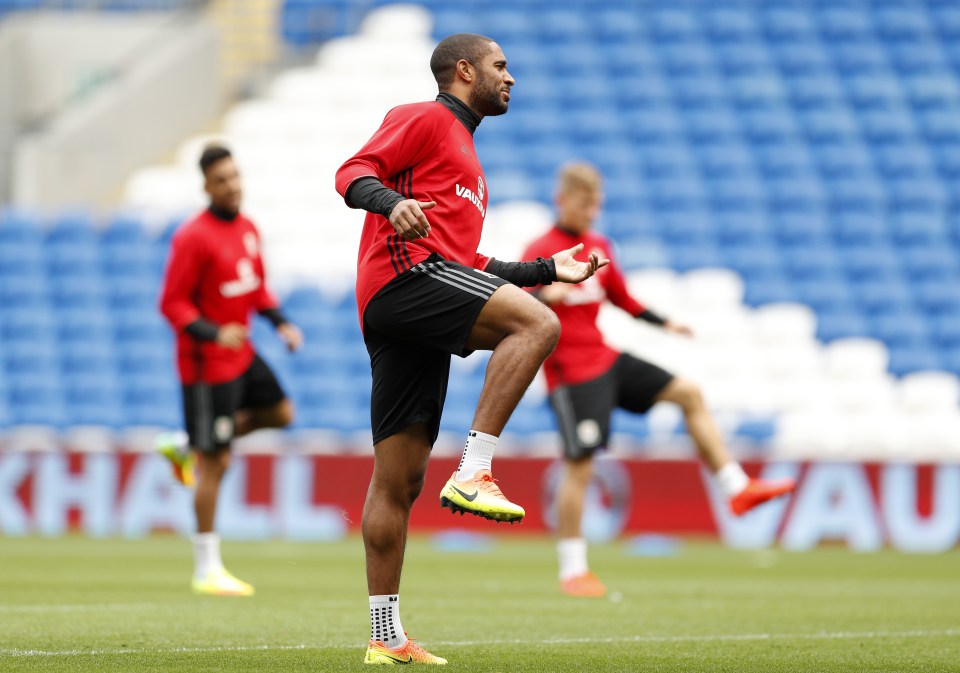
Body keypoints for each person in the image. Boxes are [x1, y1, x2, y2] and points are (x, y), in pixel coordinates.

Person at [335, 34, 607, 666]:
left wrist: (546, 269)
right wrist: (392, 201)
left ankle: (385, 635)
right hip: (403, 280)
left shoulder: (468, 161)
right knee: (538, 328)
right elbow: (351, 173)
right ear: (464, 70)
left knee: (399, 481)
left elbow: (468, 265)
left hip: (410, 296)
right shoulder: (426, 118)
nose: (511, 78)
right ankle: (476, 468)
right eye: (500, 66)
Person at [522, 162, 797, 598]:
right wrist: (542, 292)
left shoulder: (598, 245)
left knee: (689, 392)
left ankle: (736, 488)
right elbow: (515, 303)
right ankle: (573, 570)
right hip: (571, 376)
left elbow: (623, 299)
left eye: (597, 205)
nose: (592, 212)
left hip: (606, 358)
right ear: (563, 200)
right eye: (584, 204)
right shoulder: (541, 250)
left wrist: (666, 323)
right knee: (580, 467)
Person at [158, 144, 303, 597]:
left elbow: (255, 287)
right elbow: (172, 303)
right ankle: (207, 568)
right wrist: (213, 332)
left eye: (235, 176)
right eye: (222, 180)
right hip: (206, 364)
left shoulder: (248, 229)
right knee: (216, 461)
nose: (232, 185)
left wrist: (281, 323)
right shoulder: (192, 237)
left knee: (281, 414)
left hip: (242, 354)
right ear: (206, 186)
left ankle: (186, 442)